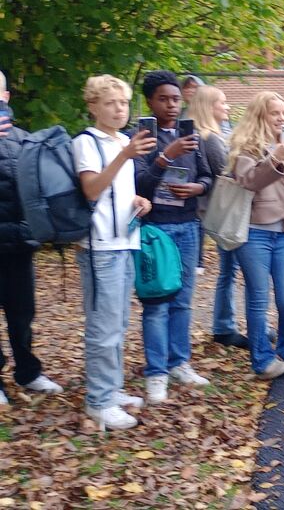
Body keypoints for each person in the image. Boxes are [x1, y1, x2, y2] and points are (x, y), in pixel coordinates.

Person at [73, 75, 156, 429]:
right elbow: (92, 190)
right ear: (93, 106)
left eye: (123, 103)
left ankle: (112, 388)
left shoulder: (124, 141)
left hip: (125, 240)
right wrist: (123, 156)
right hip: (100, 246)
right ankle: (99, 400)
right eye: (110, 103)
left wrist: (137, 200)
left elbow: (116, 191)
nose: (119, 109)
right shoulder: (86, 142)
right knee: (103, 326)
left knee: (119, 322)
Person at [134, 70, 213, 404]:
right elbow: (139, 185)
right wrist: (167, 156)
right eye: (163, 99)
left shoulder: (192, 136)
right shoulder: (140, 139)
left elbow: (209, 176)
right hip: (155, 229)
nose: (171, 105)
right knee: (156, 304)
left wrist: (198, 187)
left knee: (182, 301)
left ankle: (179, 362)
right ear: (150, 101)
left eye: (176, 99)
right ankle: (156, 373)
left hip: (188, 224)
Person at [227, 91, 284, 380]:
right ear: (260, 116)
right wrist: (276, 156)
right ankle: (262, 360)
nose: (282, 118)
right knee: (258, 299)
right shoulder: (246, 149)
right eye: (275, 113)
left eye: (283, 113)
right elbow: (250, 181)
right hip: (254, 233)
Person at [0, 74, 63, 406]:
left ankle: (28, 371)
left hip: (20, 244)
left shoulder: (26, 141)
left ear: (6, 97)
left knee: (22, 313)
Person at [187, 85, 248, 349]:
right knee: (230, 270)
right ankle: (224, 325)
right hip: (225, 214)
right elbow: (228, 174)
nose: (227, 106)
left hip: (214, 213)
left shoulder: (206, 135)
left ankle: (225, 324)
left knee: (229, 270)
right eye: (222, 102)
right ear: (209, 106)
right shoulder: (210, 138)